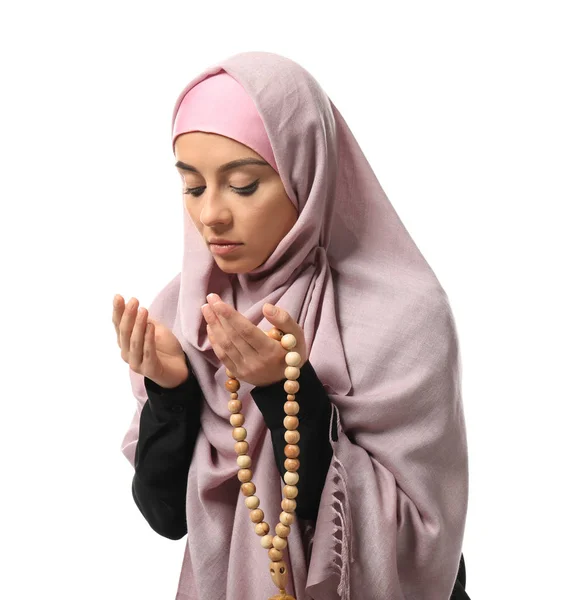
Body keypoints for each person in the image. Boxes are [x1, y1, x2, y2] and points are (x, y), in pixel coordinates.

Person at [115, 51, 470, 600]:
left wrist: (286, 389)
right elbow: (168, 518)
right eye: (193, 186)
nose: (211, 215)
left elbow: (420, 547)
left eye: (243, 184)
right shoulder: (184, 315)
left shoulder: (405, 317)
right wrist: (173, 392)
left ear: (306, 175)